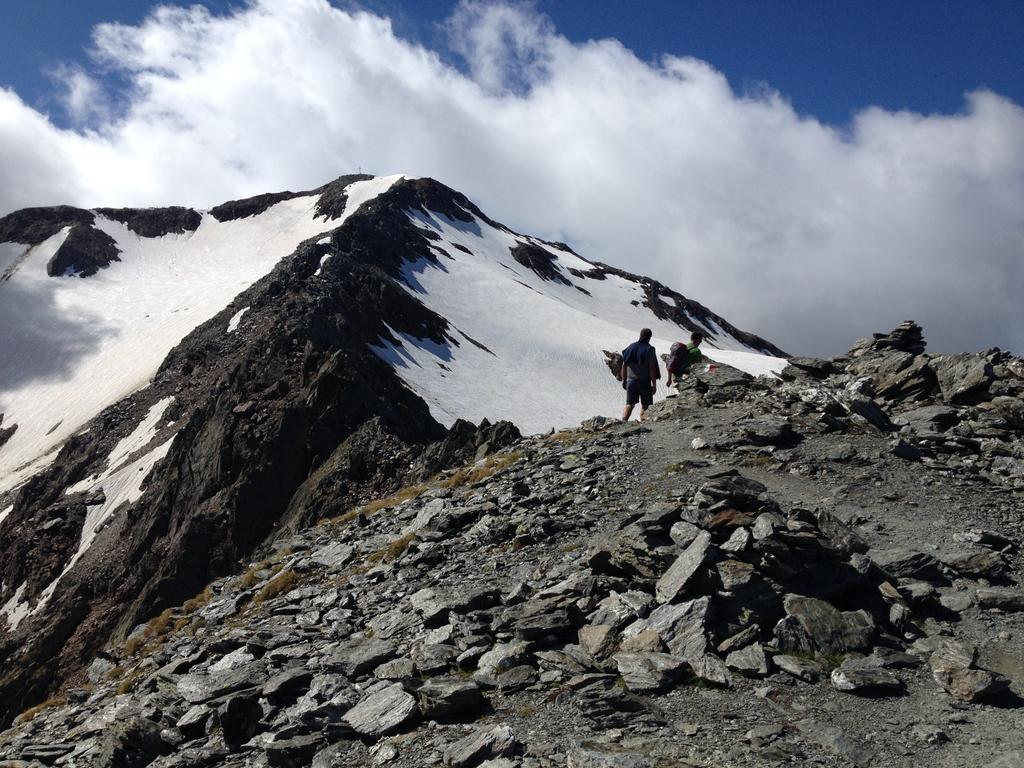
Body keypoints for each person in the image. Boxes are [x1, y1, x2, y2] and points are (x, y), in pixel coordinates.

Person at [620, 328, 660, 421]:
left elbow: (624, 365)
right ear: (649, 337)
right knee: (646, 405)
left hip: (631, 381)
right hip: (644, 382)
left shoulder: (631, 347)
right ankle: (643, 424)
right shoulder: (650, 349)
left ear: (640, 335)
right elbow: (652, 368)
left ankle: (623, 421)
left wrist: (624, 380)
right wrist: (654, 385)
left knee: (629, 403)